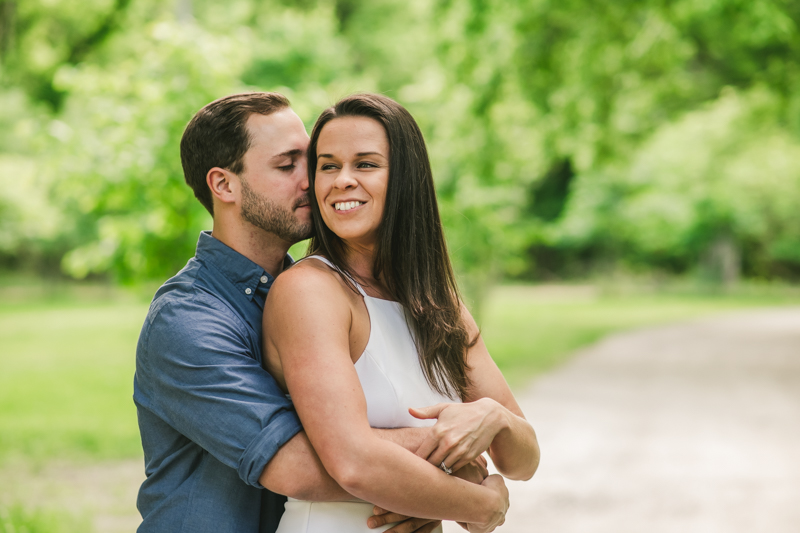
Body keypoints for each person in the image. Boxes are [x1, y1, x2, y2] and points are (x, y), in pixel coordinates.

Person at [133, 92, 511, 533]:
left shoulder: (316, 292)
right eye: (287, 164)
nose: (312, 180)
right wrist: (460, 465)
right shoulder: (188, 320)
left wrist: (422, 476)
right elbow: (298, 465)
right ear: (224, 185)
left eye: (311, 162)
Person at [263, 93, 540, 533]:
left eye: (366, 164)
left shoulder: (439, 307)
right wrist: (476, 501)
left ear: (406, 179)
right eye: (328, 165)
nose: (342, 181)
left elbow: (523, 459)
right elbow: (352, 461)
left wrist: (493, 417)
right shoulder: (310, 291)